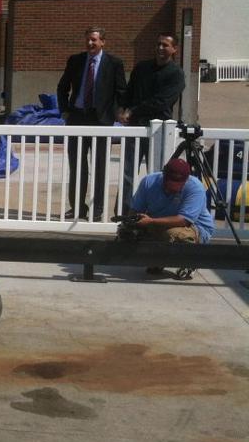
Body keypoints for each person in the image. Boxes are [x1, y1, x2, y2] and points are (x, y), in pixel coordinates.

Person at [56, 26, 127, 221]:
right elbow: (62, 87)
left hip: (101, 120)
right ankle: (78, 207)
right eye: (87, 39)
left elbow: (121, 91)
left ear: (102, 42)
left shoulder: (114, 63)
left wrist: (116, 113)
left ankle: (97, 209)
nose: (90, 43)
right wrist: (64, 110)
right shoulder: (76, 60)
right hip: (77, 118)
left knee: (99, 167)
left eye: (94, 40)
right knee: (77, 165)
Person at [118, 33, 185, 207]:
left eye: (165, 45)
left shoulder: (176, 74)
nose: (160, 48)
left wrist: (133, 111)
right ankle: (124, 212)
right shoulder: (142, 68)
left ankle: (154, 211)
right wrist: (123, 108)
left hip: (159, 131)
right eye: (158, 44)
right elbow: (129, 91)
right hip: (135, 128)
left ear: (174, 49)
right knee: (127, 173)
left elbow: (162, 102)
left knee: (156, 174)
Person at [127, 157, 214, 275]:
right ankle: (159, 259)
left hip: (195, 227)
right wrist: (130, 223)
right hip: (159, 223)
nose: (174, 188)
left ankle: (190, 260)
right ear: (164, 175)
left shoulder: (195, 187)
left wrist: (151, 221)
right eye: (171, 183)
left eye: (179, 184)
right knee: (130, 234)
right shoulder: (148, 182)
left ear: (186, 179)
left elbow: (184, 220)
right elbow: (135, 209)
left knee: (172, 234)